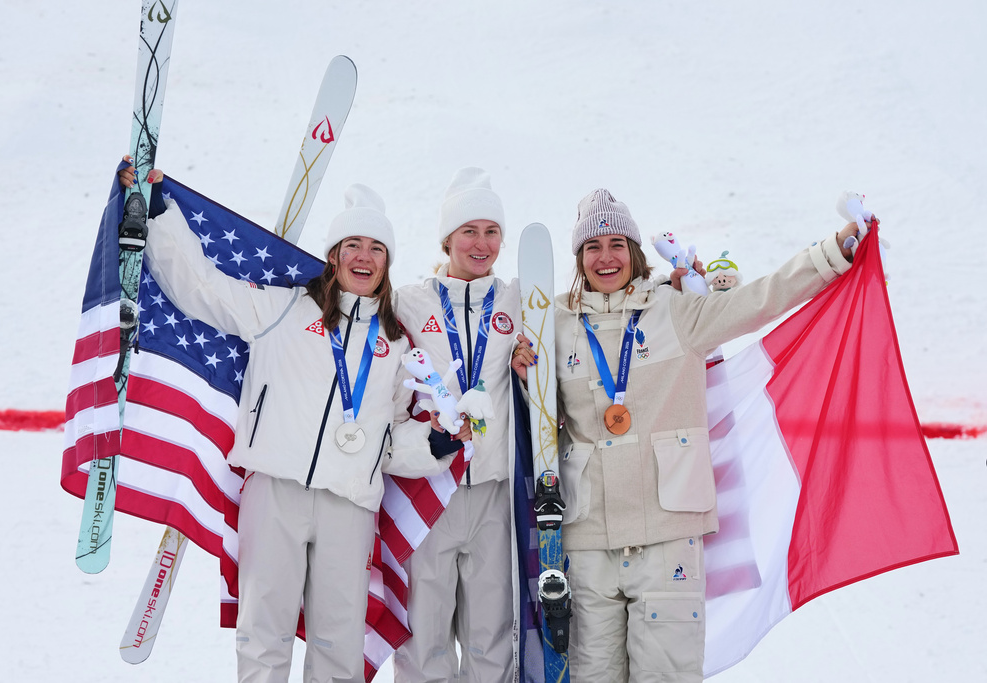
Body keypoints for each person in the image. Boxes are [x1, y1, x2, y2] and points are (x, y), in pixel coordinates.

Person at [119, 163, 458, 682]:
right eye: (352, 245)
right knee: (264, 633)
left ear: (388, 262)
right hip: (276, 491)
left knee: (339, 641)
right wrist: (160, 211)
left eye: (376, 248)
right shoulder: (282, 309)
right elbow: (201, 287)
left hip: (349, 506)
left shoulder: (393, 344)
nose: (363, 257)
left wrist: (432, 443)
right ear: (333, 255)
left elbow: (386, 442)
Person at [512, 188, 860, 681]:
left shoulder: (677, 312)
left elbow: (761, 298)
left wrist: (831, 255)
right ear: (579, 258)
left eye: (616, 244)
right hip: (590, 538)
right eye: (593, 247)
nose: (605, 257)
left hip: (668, 533)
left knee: (667, 674)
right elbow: (548, 430)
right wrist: (529, 383)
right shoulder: (556, 326)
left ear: (633, 252)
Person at [392, 167, 523, 681]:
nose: (481, 243)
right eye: (469, 231)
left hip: (492, 491)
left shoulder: (518, 300)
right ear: (447, 239)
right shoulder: (409, 302)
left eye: (492, 232)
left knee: (491, 639)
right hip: (428, 491)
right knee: (423, 638)